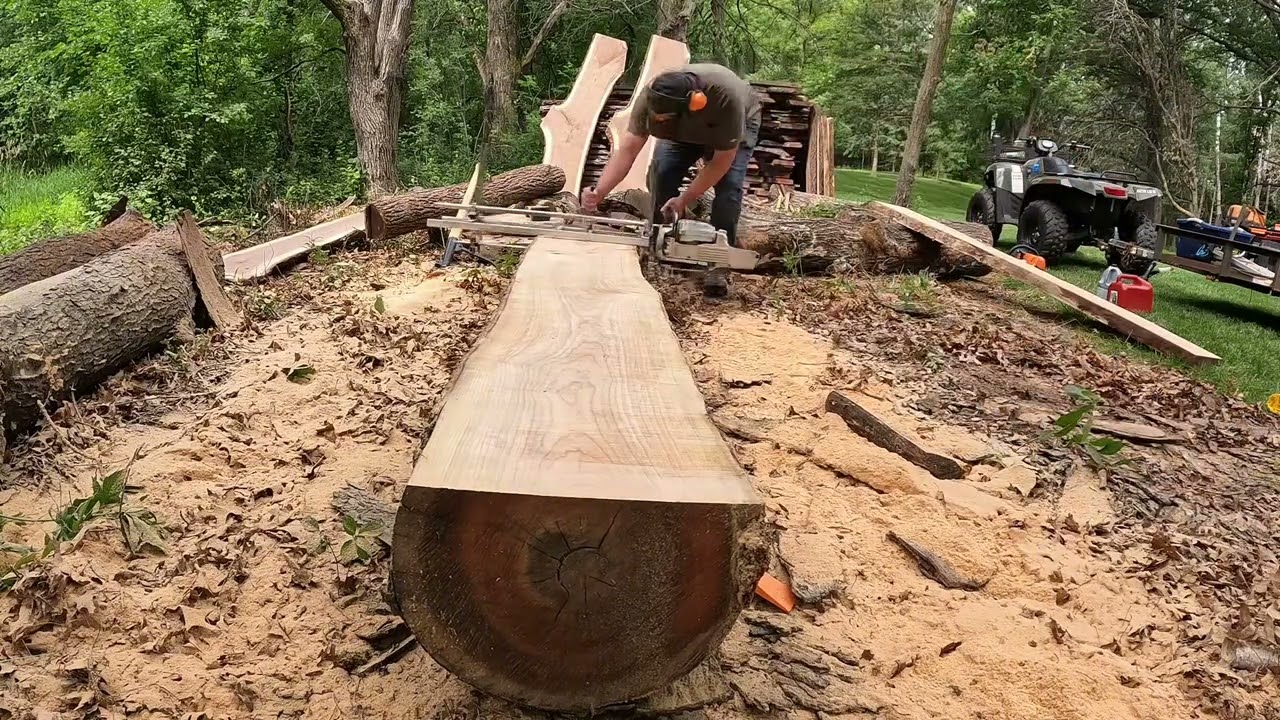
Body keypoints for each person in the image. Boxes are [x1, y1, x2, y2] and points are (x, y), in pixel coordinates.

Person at [580, 63, 761, 297]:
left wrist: (684, 199)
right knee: (662, 173)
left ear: (693, 105)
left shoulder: (727, 100)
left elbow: (720, 164)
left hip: (733, 124)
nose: (658, 122)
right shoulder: (652, 96)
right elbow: (628, 150)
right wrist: (599, 192)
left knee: (728, 188)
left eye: (664, 119)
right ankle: (662, 243)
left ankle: (718, 264)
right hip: (685, 130)